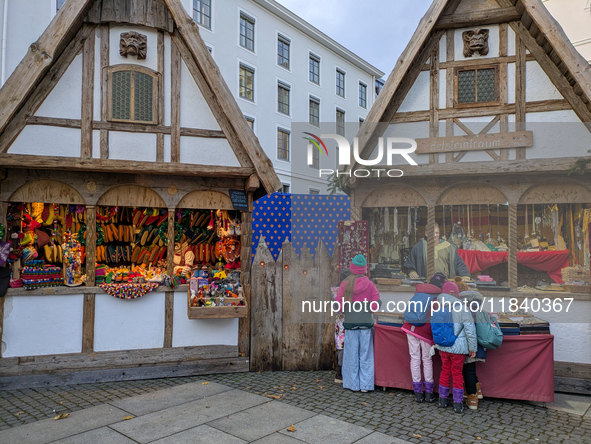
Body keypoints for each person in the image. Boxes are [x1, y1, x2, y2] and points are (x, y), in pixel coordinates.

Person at [337, 254, 381, 392]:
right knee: (366, 354)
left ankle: (352, 384)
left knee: (351, 355)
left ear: (352, 268)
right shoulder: (370, 284)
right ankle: (366, 386)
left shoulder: (345, 284)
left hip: (350, 324)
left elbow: (338, 305)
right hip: (365, 325)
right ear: (364, 269)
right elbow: (376, 305)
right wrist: (368, 308)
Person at [401, 272, 445, 402]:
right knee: (427, 359)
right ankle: (429, 393)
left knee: (414, 358)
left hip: (410, 328)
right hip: (425, 331)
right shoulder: (437, 297)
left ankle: (418, 393)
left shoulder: (418, 292)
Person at [435, 281, 477, 414]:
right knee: (457, 373)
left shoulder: (439, 306)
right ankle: (457, 403)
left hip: (444, 346)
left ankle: (442, 400)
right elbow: (470, 330)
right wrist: (473, 348)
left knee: (445, 370)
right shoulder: (463, 308)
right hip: (458, 348)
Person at [403, 222, 470, 279]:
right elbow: (409, 264)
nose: (435, 235)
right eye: (432, 233)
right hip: (426, 283)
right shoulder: (419, 247)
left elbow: (459, 263)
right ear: (426, 234)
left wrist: (465, 276)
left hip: (445, 282)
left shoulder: (448, 246)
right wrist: (412, 273)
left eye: (437, 233)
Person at [461, 290, 487, 410]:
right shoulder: (480, 311)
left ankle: (472, 398)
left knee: (468, 370)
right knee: (470, 369)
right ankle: (477, 391)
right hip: (479, 345)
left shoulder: (466, 312)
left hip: (470, 346)